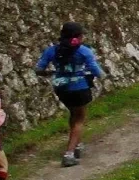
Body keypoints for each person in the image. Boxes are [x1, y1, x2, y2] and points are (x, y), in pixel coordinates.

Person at [36, 21, 105, 168]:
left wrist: (52, 72)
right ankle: (69, 153)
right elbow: (95, 69)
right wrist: (102, 76)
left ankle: (77, 143)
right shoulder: (84, 51)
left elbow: (39, 69)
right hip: (80, 87)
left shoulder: (51, 51)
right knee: (79, 118)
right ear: (79, 36)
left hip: (61, 88)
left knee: (73, 114)